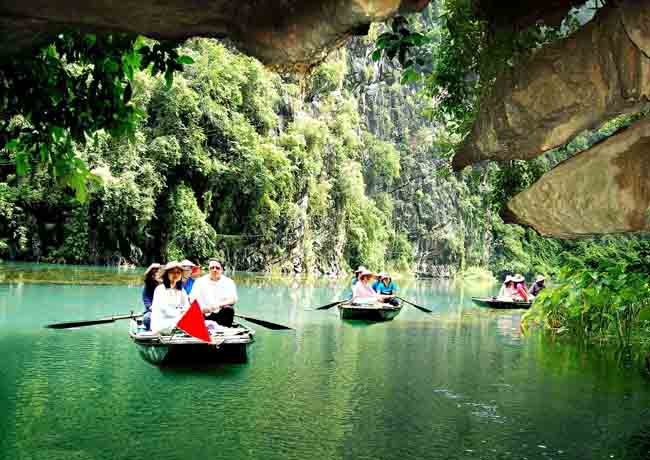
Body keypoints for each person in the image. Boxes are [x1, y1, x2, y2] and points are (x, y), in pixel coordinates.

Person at [192, 258, 238, 327]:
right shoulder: (199, 281)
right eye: (212, 268)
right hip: (203, 313)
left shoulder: (229, 282)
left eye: (217, 268)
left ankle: (224, 330)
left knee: (229, 310)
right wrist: (202, 309)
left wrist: (218, 305)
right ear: (208, 269)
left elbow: (233, 299)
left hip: (219, 313)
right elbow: (192, 298)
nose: (214, 270)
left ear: (222, 270)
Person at [150, 261, 190, 334]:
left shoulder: (182, 291)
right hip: (162, 324)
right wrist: (180, 314)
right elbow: (165, 310)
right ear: (167, 274)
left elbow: (187, 308)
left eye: (178, 272)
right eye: (172, 272)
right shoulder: (160, 289)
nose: (175, 274)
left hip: (177, 322)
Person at [141, 263, 161, 330]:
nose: (157, 274)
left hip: (166, 311)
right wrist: (152, 308)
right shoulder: (149, 284)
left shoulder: (167, 284)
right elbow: (146, 300)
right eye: (155, 272)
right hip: (152, 310)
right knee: (147, 319)